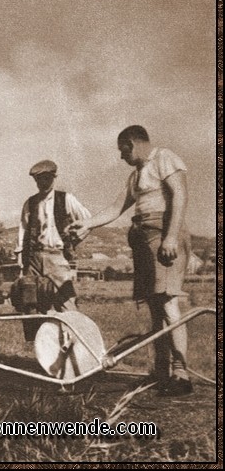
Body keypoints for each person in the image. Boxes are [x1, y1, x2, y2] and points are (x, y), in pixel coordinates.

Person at [70, 125, 193, 396]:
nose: (121, 157)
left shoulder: (165, 158)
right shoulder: (135, 174)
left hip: (163, 234)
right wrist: (87, 225)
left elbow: (180, 196)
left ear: (131, 143)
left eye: (122, 151)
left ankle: (181, 375)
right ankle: (162, 372)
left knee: (169, 302)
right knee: (155, 305)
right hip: (142, 237)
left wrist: (171, 237)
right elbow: (116, 208)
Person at [14, 159, 91, 313]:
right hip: (34, 258)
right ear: (35, 180)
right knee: (31, 301)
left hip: (57, 256)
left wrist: (74, 241)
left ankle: (73, 334)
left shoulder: (66, 198)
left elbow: (88, 220)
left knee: (66, 301)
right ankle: (37, 337)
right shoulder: (30, 203)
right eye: (40, 178)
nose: (44, 182)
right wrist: (20, 256)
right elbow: (22, 230)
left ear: (54, 178)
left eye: (48, 178)